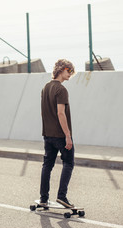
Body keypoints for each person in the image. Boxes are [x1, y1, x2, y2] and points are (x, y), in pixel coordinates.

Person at [39, 59, 75, 208]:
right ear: (61, 69)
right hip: (60, 135)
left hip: (48, 135)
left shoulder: (45, 88)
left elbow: (44, 112)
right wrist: (67, 135)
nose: (70, 74)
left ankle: (43, 198)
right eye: (69, 70)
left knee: (47, 165)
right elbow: (61, 113)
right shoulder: (61, 90)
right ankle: (62, 196)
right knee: (68, 163)